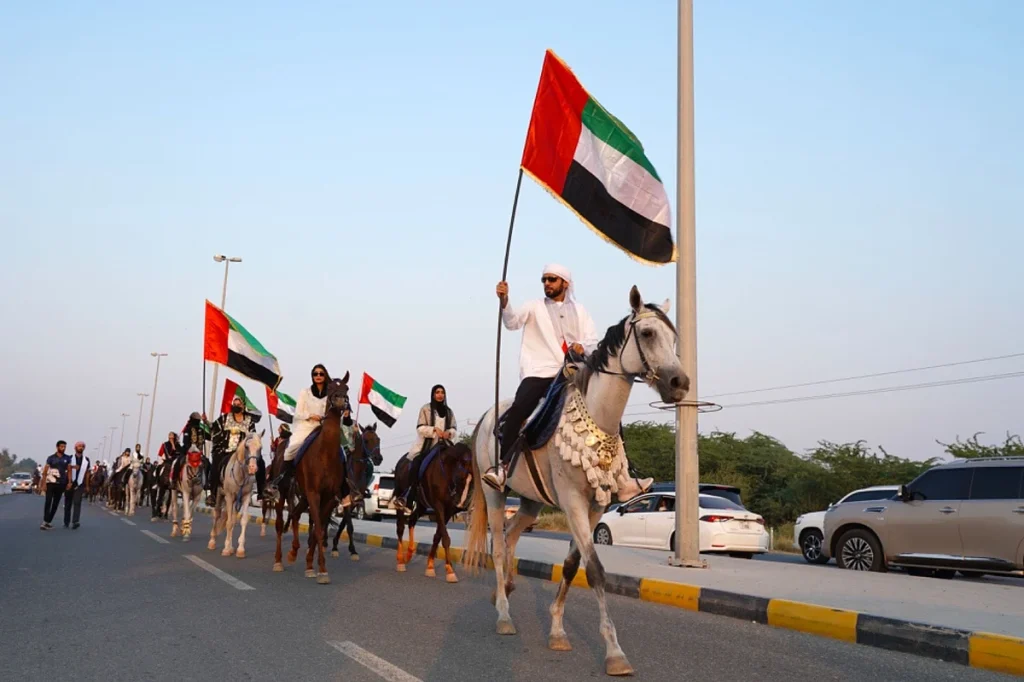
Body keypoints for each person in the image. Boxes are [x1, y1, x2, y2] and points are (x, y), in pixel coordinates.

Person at [483, 264, 599, 490]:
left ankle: (621, 472)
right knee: (519, 408)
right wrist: (505, 301)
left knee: (604, 402)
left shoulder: (580, 311)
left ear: (565, 283)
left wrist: (581, 346)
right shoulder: (534, 306)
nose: (547, 283)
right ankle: (503, 467)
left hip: (574, 372)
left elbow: (592, 341)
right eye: (544, 280)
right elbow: (512, 322)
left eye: (552, 279)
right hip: (541, 371)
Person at [266, 364, 331, 500]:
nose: (318, 376)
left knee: (341, 452)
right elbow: (298, 413)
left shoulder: (330, 395)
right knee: (290, 450)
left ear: (325, 376)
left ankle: (344, 490)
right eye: (315, 374)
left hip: (323, 428)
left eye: (321, 374)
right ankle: (279, 482)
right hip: (306, 427)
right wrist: (310, 415)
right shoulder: (305, 392)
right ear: (312, 376)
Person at [394, 385, 457, 513]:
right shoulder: (426, 409)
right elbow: (420, 428)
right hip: (427, 446)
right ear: (433, 395)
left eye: (442, 392)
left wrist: (449, 433)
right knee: (416, 464)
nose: (440, 395)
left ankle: (457, 496)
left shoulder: (449, 412)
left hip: (444, 445)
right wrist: (434, 430)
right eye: (437, 392)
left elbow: (454, 428)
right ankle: (408, 496)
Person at [207, 395, 258, 505]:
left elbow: (253, 436)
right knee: (215, 464)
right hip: (225, 451)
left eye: (238, 404)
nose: (236, 406)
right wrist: (205, 421)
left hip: (242, 452)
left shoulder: (249, 421)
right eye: (234, 404)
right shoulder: (225, 418)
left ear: (243, 406)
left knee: (259, 463)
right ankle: (213, 493)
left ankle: (261, 491)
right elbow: (214, 427)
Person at [39, 441, 70, 530]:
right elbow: (45, 471)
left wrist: (69, 482)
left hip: (61, 483)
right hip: (50, 483)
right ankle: (45, 521)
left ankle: (49, 521)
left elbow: (69, 470)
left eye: (64, 447)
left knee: (55, 503)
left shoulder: (67, 458)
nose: (63, 448)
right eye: (61, 446)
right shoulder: (51, 458)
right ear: (57, 447)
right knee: (48, 501)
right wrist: (44, 484)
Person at [64, 441, 91, 529]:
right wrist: (73, 467)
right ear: (75, 448)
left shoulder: (86, 460)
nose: (81, 448)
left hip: (80, 483)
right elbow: (66, 469)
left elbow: (87, 473)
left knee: (77, 502)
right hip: (70, 482)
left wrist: (87, 485)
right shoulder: (70, 458)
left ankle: (75, 521)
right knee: (68, 503)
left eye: (82, 446)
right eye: (79, 446)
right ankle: (66, 521)